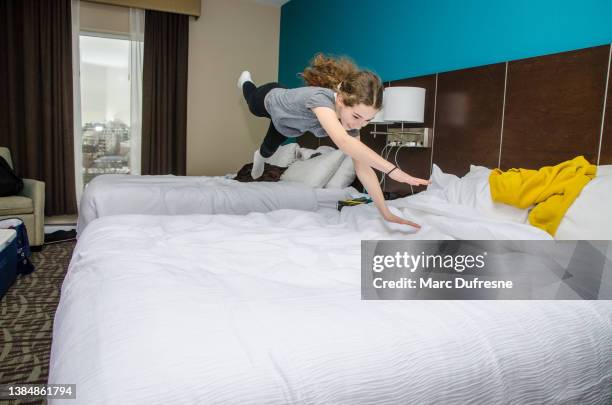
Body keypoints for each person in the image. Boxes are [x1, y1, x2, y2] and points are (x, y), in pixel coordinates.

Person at [238, 54, 430, 228]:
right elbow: (343, 142)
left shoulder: (352, 125)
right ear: (340, 100)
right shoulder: (321, 99)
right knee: (251, 101)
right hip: (271, 100)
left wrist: (385, 212)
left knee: (268, 149)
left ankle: (260, 157)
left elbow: (363, 169)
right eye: (356, 116)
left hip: (287, 126)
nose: (361, 125)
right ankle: (245, 81)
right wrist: (393, 171)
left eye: (368, 120)